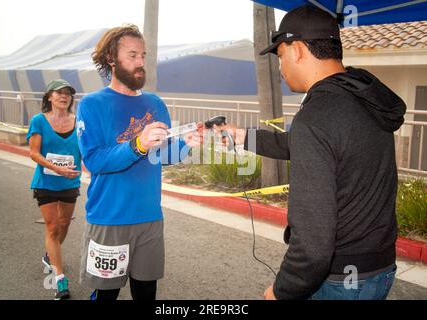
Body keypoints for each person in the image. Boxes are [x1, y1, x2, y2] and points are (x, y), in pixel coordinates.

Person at [215, 5, 405, 300]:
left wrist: (281, 291)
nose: (280, 68)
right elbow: (320, 148)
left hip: (339, 280)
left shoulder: (317, 116)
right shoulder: (361, 98)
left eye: (280, 56)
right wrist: (245, 137)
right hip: (378, 268)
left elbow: (313, 245)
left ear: (298, 49)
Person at [76, 24, 202, 301]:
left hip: (150, 218)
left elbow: (161, 156)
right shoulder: (92, 105)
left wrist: (186, 145)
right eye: (132, 55)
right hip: (109, 218)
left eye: (143, 55)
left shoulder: (155, 103)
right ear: (111, 58)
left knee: (146, 294)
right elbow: (94, 161)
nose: (140, 63)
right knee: (106, 296)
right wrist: (138, 144)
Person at [27, 79, 82, 300]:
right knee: (51, 227)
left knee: (64, 224)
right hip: (47, 182)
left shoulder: (79, 122)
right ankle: (60, 279)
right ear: (49, 96)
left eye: (67, 93)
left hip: (70, 182)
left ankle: (51, 253)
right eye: (58, 92)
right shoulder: (38, 121)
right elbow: (34, 153)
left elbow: (86, 149)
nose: (63, 96)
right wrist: (57, 169)